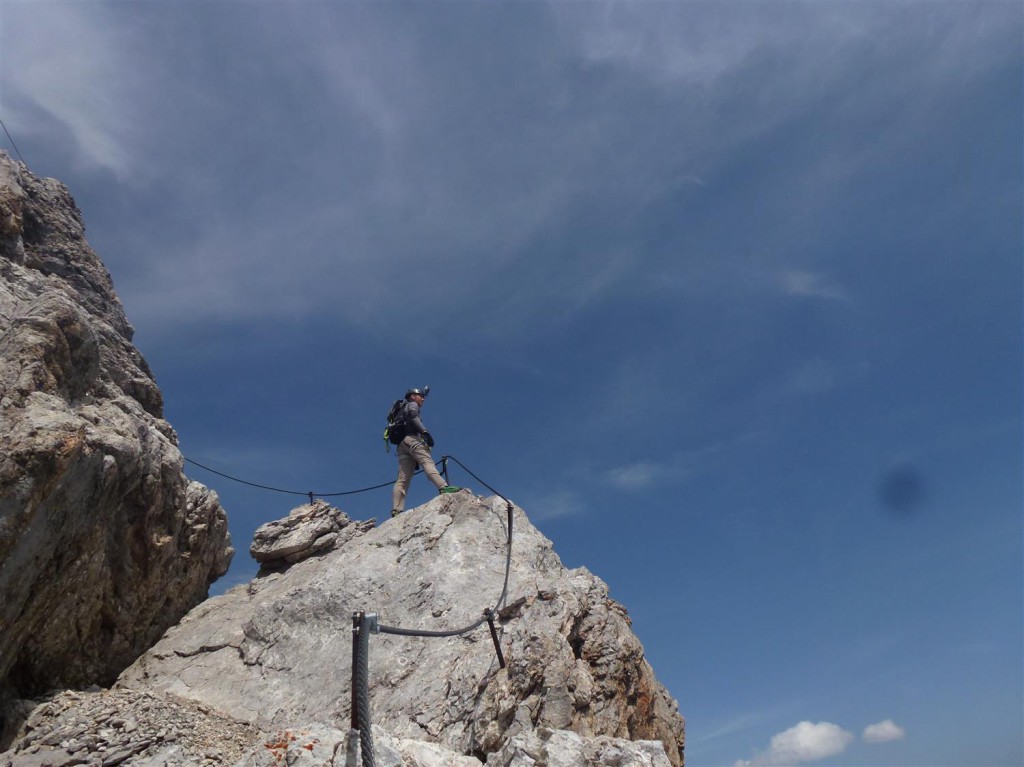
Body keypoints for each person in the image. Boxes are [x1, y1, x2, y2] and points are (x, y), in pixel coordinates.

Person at [391, 388, 460, 517]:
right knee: (427, 461)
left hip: (401, 445)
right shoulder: (412, 404)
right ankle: (443, 487)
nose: (422, 399)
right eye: (420, 396)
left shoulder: (400, 410)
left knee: (402, 478)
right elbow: (413, 416)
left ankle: (396, 509)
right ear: (412, 396)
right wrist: (424, 432)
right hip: (412, 439)